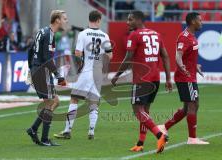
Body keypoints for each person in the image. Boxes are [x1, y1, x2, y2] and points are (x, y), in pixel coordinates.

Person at [111, 11, 172, 153]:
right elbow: (165, 56)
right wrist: (168, 78)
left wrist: (116, 75)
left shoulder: (134, 35)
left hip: (141, 80)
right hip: (155, 79)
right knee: (145, 112)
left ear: (138, 20)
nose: (127, 23)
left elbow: (128, 58)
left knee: (138, 111)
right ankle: (140, 143)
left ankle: (160, 135)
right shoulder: (156, 34)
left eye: (130, 20)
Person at [54, 10, 112, 140]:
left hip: (86, 71)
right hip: (98, 73)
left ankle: (67, 131)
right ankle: (91, 132)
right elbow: (109, 55)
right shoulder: (105, 35)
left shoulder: (83, 34)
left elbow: (78, 53)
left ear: (89, 19)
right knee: (94, 102)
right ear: (98, 20)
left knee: (74, 98)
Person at [158, 12, 209, 145]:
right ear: (193, 22)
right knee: (193, 104)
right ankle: (192, 138)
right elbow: (178, 56)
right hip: (185, 78)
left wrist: (194, 66)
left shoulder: (191, 36)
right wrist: (182, 66)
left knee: (188, 107)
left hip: (190, 76)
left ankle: (164, 127)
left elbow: (187, 56)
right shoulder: (184, 37)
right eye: (200, 20)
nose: (201, 22)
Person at [26, 10, 68, 146]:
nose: (66, 21)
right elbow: (47, 58)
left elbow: (30, 50)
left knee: (55, 101)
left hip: (37, 69)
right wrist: (58, 75)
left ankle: (33, 129)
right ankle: (44, 139)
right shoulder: (49, 34)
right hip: (41, 70)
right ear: (57, 20)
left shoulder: (42, 31)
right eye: (64, 19)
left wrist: (31, 68)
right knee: (51, 103)